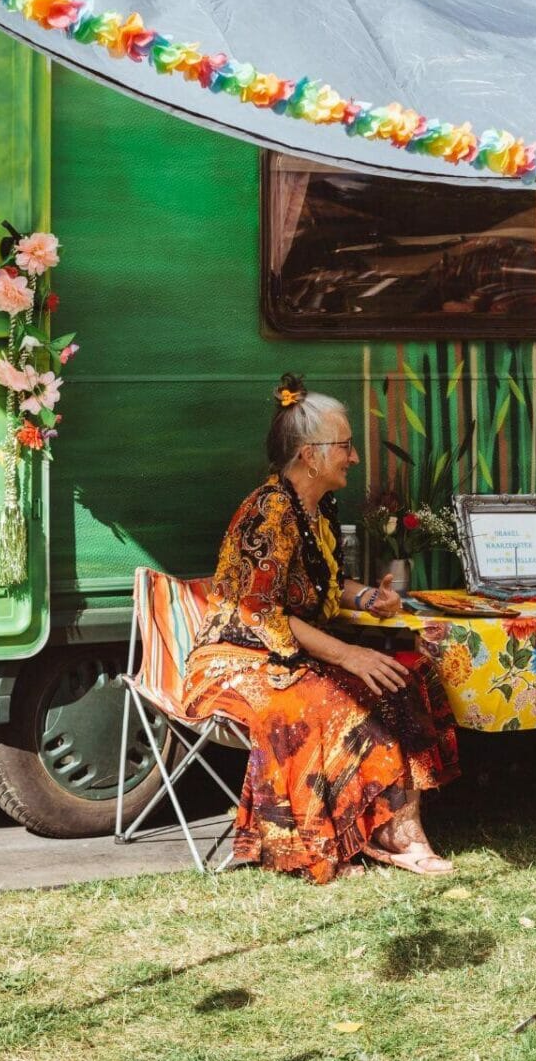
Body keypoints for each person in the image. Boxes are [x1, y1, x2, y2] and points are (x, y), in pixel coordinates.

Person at [181, 374, 461, 882]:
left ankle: (397, 828)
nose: (354, 458)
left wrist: (369, 597)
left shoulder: (315, 508)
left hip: (288, 655)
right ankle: (323, 841)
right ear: (310, 455)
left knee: (406, 676)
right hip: (236, 659)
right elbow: (262, 611)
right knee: (333, 698)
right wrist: (347, 655)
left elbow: (324, 581)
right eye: (346, 446)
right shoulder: (268, 512)